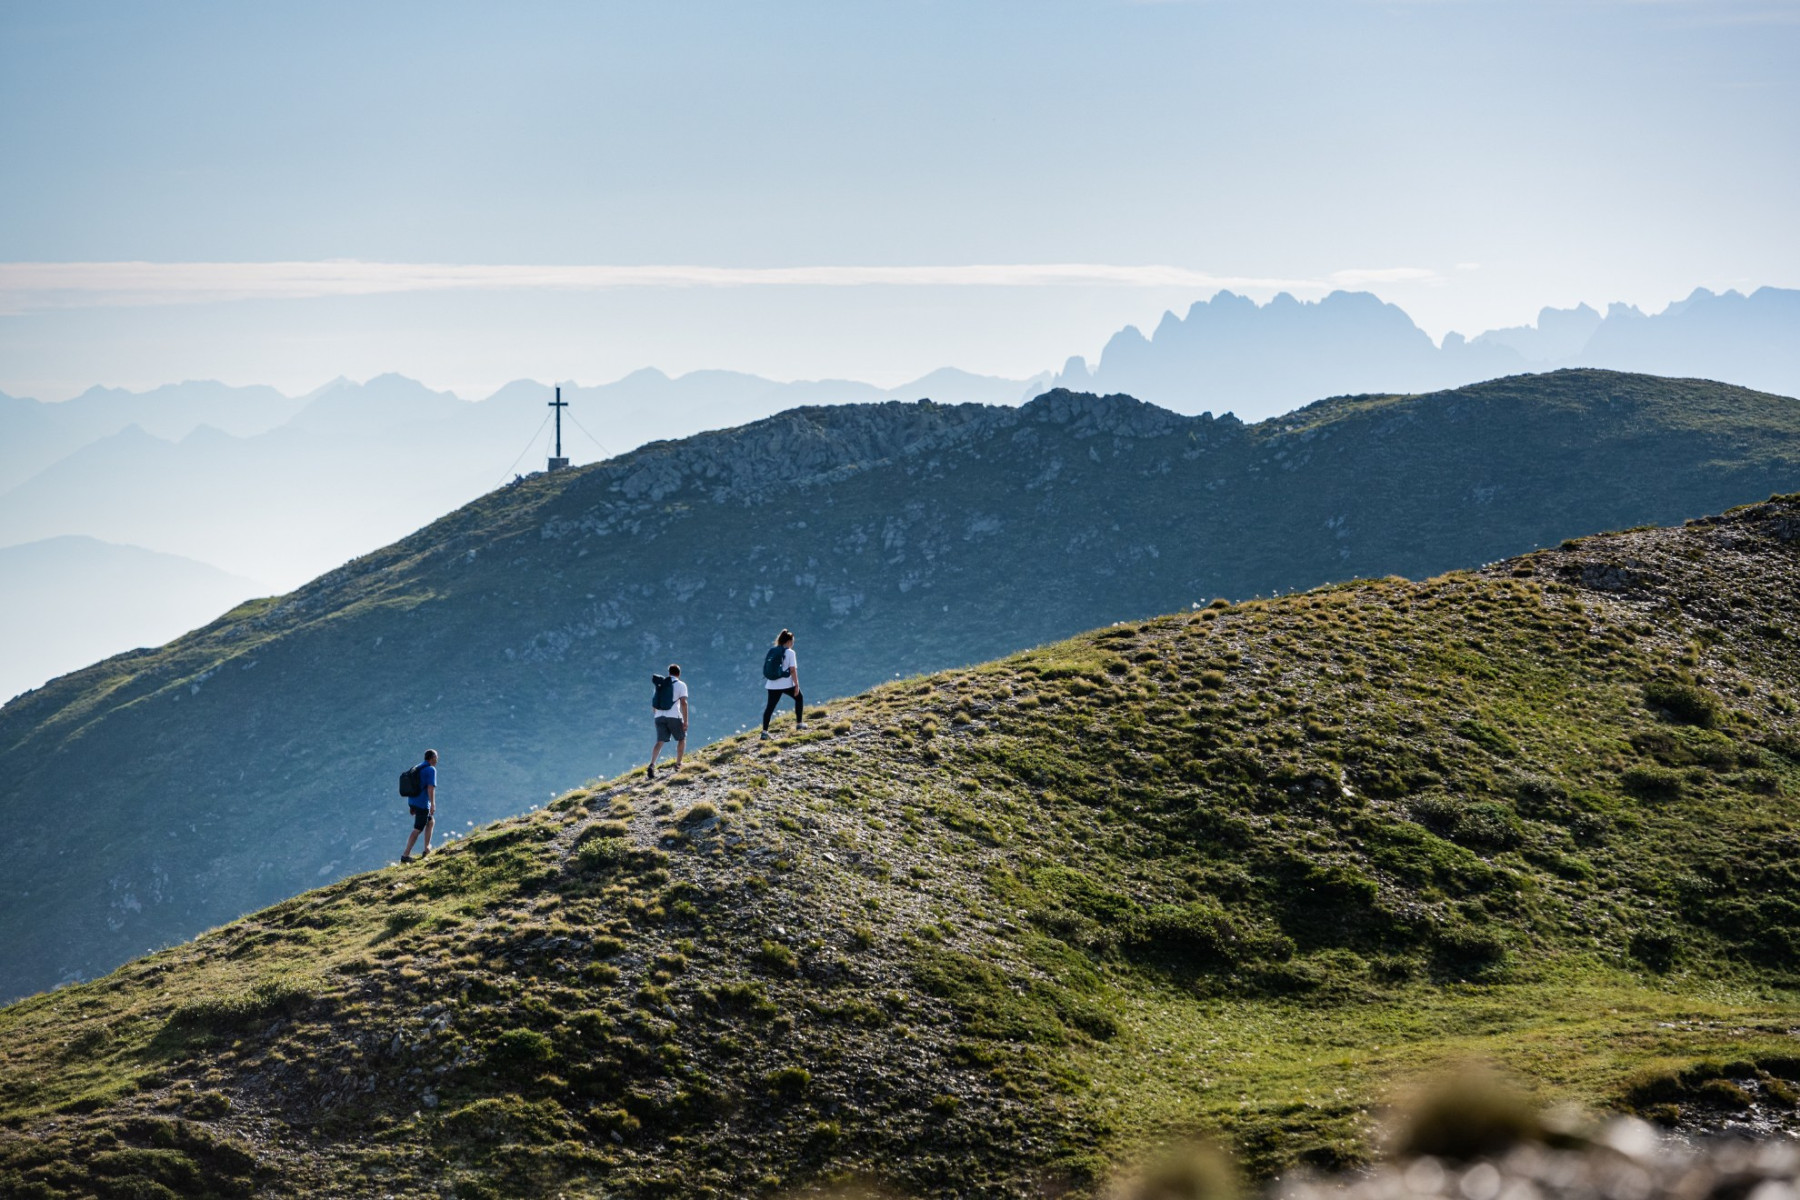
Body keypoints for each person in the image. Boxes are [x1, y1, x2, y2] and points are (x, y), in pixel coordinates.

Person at [760, 629, 804, 739]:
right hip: (786, 684)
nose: (792, 644)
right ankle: (799, 724)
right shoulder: (790, 652)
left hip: (772, 684)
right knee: (799, 698)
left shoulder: (773, 650)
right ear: (788, 641)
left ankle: (764, 732)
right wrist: (796, 685)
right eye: (792, 641)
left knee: (769, 708)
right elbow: (793, 670)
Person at [647, 664, 689, 779]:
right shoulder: (681, 685)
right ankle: (678, 764)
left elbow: (654, 703)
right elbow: (684, 703)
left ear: (669, 672)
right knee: (681, 738)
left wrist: (657, 717)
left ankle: (652, 765)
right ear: (679, 673)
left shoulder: (660, 685)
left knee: (660, 741)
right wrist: (685, 721)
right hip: (674, 716)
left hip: (659, 716)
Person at [402, 749, 438, 863]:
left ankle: (427, 848)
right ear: (432, 758)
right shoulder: (430, 769)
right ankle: (405, 855)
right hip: (422, 803)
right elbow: (430, 788)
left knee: (430, 821)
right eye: (436, 757)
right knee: (417, 829)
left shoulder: (418, 767)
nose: (437, 760)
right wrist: (432, 804)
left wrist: (411, 805)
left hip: (413, 801)